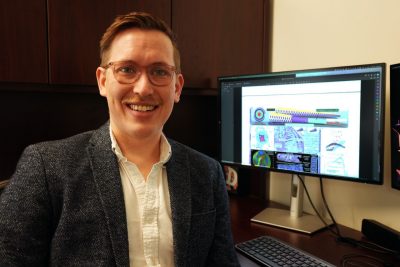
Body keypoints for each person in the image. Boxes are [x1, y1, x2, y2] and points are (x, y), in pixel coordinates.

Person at [0, 12, 240, 266]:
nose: (143, 88)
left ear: (177, 87)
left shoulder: (207, 173)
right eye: (127, 69)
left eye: (159, 71)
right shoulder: (47, 168)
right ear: (103, 81)